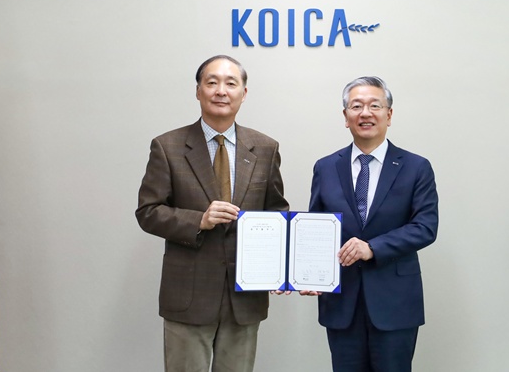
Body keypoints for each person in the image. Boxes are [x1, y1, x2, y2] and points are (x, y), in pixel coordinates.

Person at [135, 54, 289, 372]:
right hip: (188, 296)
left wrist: (280, 267)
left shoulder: (265, 148)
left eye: (231, 83)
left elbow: (276, 213)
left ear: (244, 93)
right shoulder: (167, 146)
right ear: (198, 91)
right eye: (212, 82)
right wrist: (198, 220)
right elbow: (148, 211)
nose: (221, 91)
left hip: (244, 297)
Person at [307, 76, 439, 372]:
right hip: (342, 303)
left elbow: (425, 226)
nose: (365, 113)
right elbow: (316, 228)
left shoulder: (416, 167)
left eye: (374, 106)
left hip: (395, 302)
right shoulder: (326, 167)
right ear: (346, 117)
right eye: (356, 106)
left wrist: (372, 248)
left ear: (388, 115)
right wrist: (308, 274)